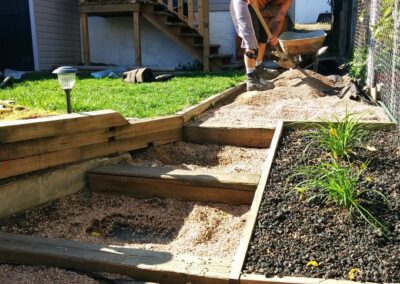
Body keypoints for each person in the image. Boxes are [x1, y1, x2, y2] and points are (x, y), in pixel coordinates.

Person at [230, 0, 292, 91]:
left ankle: (258, 69)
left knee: (263, 36)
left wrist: (275, 35)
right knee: (250, 40)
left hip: (255, 8)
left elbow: (281, 16)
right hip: (242, 3)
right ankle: (251, 81)